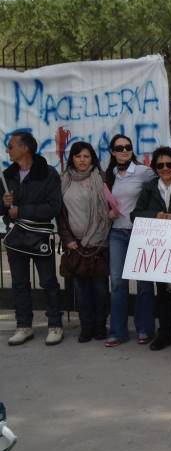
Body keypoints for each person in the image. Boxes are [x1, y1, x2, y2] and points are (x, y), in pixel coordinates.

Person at [130, 146, 171, 351]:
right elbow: (135, 214)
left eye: (169, 164)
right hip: (159, 248)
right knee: (163, 294)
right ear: (155, 167)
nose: (165, 168)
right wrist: (155, 215)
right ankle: (165, 333)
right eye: (160, 165)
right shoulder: (149, 187)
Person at [1, 131, 64, 346]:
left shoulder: (47, 173)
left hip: (40, 236)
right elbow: (4, 211)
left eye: (11, 146)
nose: (8, 150)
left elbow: (54, 207)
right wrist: (4, 202)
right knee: (19, 283)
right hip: (16, 236)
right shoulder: (7, 175)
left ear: (25, 148)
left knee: (48, 282)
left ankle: (55, 325)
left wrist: (22, 211)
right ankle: (23, 326)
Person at [104, 133, 156, 347]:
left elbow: (159, 192)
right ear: (113, 152)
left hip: (140, 232)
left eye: (128, 147)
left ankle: (145, 329)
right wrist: (109, 214)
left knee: (144, 283)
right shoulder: (110, 174)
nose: (124, 150)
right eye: (119, 148)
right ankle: (118, 331)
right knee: (117, 283)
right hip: (117, 232)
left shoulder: (144, 172)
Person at [57, 142, 112, 342]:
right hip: (75, 244)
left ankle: (100, 327)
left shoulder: (102, 178)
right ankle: (86, 327)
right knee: (81, 291)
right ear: (72, 158)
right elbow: (60, 214)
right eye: (78, 156)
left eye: (86, 156)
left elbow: (110, 206)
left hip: (99, 242)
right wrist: (68, 239)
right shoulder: (64, 180)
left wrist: (111, 214)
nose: (82, 160)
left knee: (100, 290)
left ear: (92, 159)